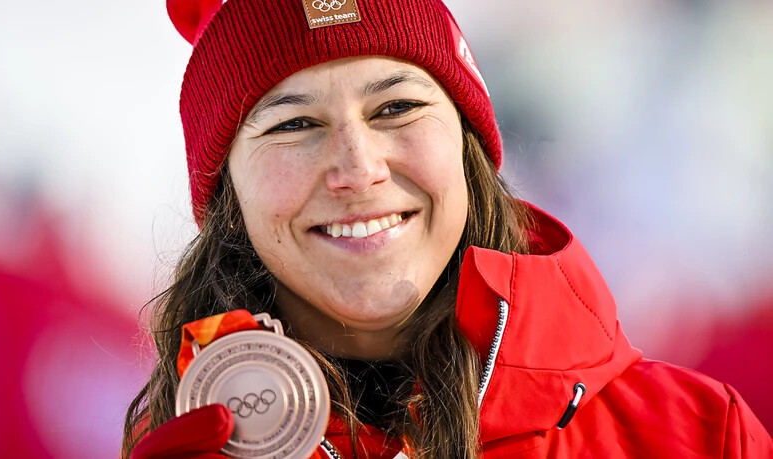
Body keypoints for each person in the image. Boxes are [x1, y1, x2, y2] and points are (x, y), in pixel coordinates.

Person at [123, 0, 773, 457]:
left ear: (467, 148)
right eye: (294, 125)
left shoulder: (702, 435)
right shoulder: (186, 446)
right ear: (226, 194)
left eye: (397, 107)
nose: (358, 167)